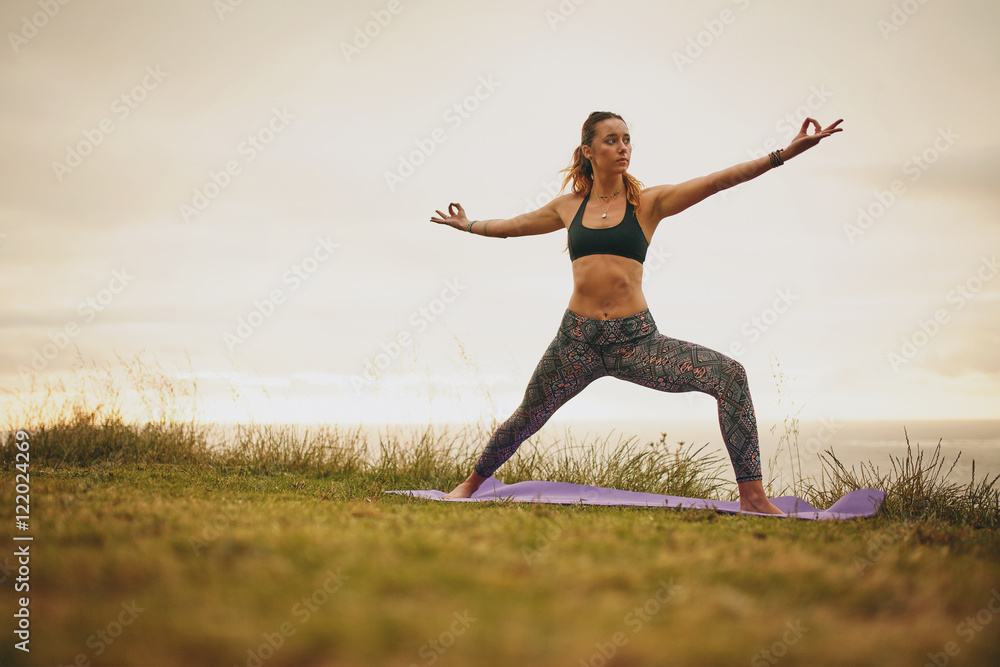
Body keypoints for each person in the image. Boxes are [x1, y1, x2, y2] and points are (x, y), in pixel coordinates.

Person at [430, 111, 843, 514]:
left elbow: (718, 181)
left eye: (627, 139)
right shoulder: (568, 207)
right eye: (612, 140)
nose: (623, 147)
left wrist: (784, 154)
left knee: (729, 375)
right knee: (526, 417)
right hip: (577, 341)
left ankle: (753, 496)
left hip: (636, 342)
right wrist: (468, 225)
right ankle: (470, 484)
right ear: (588, 151)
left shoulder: (649, 203)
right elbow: (511, 227)